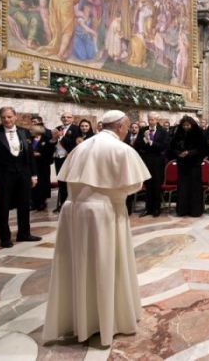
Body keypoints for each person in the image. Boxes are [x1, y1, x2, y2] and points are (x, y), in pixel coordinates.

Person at [43, 110, 151, 347]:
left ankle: (78, 319)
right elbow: (135, 184)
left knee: (77, 264)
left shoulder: (81, 147)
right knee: (105, 264)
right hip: (103, 212)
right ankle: (109, 320)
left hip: (73, 211)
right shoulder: (121, 149)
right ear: (122, 127)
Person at [0, 107, 40, 247]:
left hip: (23, 174)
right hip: (2, 175)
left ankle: (24, 234)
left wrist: (33, 174)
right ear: (0, 118)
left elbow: (29, 155)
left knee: (24, 205)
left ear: (15, 117)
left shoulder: (24, 132)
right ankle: (5, 238)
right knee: (2, 206)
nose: (6, 120)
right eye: (3, 117)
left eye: (9, 117)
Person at [135, 112, 170, 217]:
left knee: (156, 185)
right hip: (147, 160)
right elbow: (137, 145)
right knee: (148, 185)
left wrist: (151, 142)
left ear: (157, 120)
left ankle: (156, 209)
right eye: (149, 119)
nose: (150, 121)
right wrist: (145, 140)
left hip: (158, 161)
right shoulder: (143, 130)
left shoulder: (163, 132)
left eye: (152, 119)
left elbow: (164, 146)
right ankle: (148, 208)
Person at [170, 115, 206, 217]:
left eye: (187, 125)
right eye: (184, 125)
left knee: (194, 188)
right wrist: (178, 153)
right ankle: (182, 210)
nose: (186, 127)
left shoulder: (198, 133)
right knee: (183, 187)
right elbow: (172, 147)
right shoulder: (178, 133)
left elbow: (201, 148)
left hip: (194, 164)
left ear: (192, 124)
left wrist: (189, 153)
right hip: (182, 164)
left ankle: (195, 211)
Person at [51, 112, 79, 213]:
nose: (66, 119)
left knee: (70, 182)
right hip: (58, 158)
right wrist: (54, 139)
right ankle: (62, 204)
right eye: (63, 117)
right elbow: (53, 141)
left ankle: (72, 204)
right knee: (61, 182)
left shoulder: (76, 129)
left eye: (68, 117)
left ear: (72, 118)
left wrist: (62, 137)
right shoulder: (57, 128)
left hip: (69, 158)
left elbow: (75, 144)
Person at [29, 123, 56, 211]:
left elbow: (50, 151)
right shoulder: (30, 139)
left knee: (42, 184)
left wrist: (40, 154)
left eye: (32, 130)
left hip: (43, 165)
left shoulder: (46, 139)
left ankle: (42, 202)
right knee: (33, 184)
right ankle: (34, 202)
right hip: (32, 165)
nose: (30, 131)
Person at [124, 122, 140, 215]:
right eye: (132, 127)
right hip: (127, 164)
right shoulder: (126, 137)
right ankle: (127, 209)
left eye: (136, 127)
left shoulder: (141, 137)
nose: (134, 129)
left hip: (137, 163)